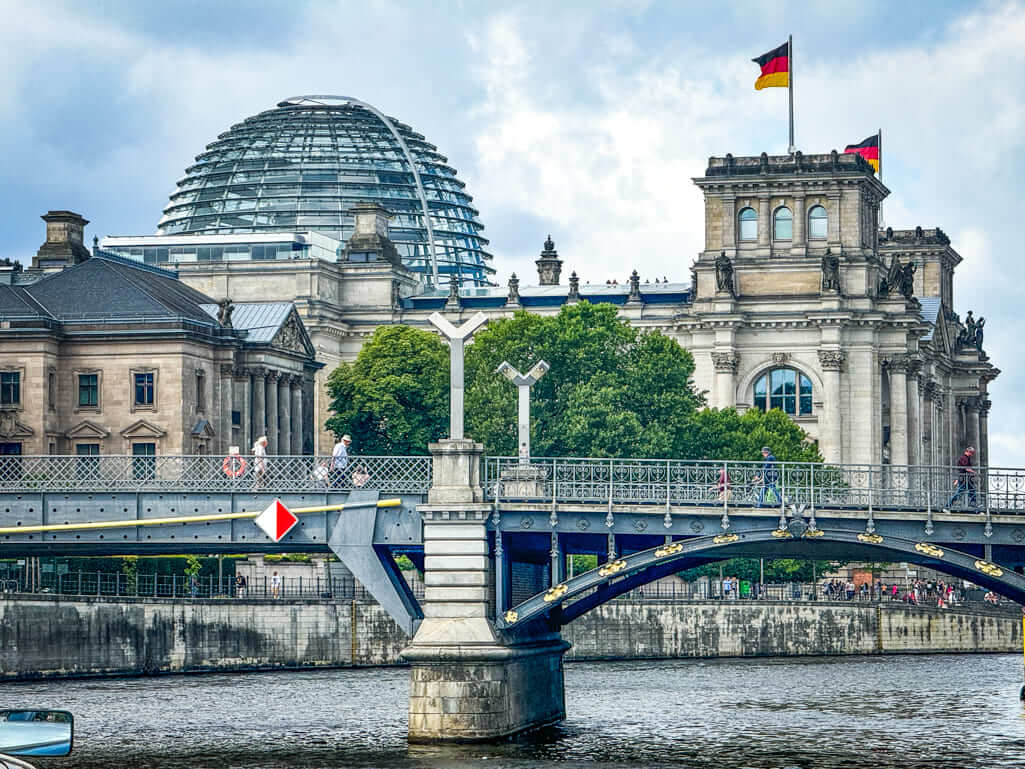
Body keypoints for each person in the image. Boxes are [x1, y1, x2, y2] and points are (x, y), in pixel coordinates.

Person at [944, 446, 978, 512]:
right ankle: (947, 506)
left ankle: (975, 507)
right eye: (972, 453)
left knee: (972, 491)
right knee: (959, 493)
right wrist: (974, 472)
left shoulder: (966, 458)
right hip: (964, 479)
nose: (972, 454)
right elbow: (965, 468)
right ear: (968, 452)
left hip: (966, 478)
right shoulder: (964, 458)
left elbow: (961, 469)